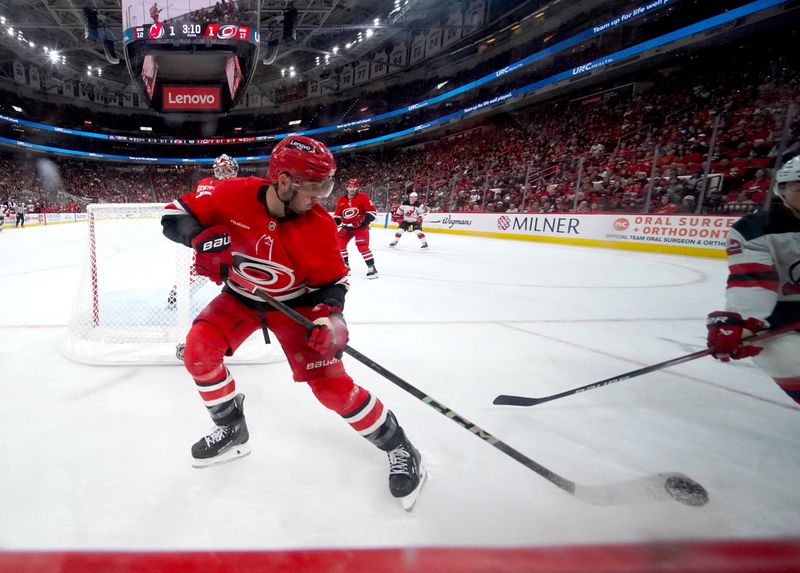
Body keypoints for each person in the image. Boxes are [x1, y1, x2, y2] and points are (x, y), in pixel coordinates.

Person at [161, 135, 426, 509]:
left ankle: (400, 446)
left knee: (332, 390)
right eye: (315, 187)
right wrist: (200, 239)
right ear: (284, 181)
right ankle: (232, 428)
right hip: (239, 299)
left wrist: (330, 318)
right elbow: (173, 214)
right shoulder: (232, 194)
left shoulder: (318, 227)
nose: (322, 197)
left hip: (296, 308)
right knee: (198, 352)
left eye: (327, 186)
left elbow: (332, 285)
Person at [706, 155, 800, 405]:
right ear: (782, 190)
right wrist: (746, 322)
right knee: (786, 357)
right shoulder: (756, 229)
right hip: (779, 322)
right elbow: (753, 280)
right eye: (799, 188)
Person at [169, 154, 239, 312]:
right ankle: (178, 296)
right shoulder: (228, 186)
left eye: (231, 169)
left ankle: (177, 294)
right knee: (227, 269)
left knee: (201, 268)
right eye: (228, 169)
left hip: (203, 234)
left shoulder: (203, 183)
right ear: (220, 170)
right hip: (221, 236)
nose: (231, 172)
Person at [333, 178, 378, 279]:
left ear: (357, 187)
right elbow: (338, 216)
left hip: (361, 228)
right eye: (350, 187)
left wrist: (361, 222)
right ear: (346, 188)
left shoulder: (364, 197)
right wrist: (335, 222)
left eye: (354, 187)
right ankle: (345, 267)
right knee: (339, 244)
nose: (352, 189)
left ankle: (371, 268)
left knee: (362, 246)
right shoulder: (341, 200)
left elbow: (372, 213)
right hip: (347, 228)